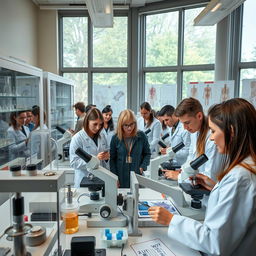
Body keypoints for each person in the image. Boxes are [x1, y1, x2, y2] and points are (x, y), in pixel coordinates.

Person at [148, 98, 256, 256]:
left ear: (231, 132)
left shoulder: (239, 178)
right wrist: (215, 187)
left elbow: (215, 242)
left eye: (214, 132)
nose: (211, 138)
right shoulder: (246, 167)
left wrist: (171, 220)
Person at [163, 98, 222, 182]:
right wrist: (184, 171)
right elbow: (191, 157)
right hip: (194, 182)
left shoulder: (212, 139)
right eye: (182, 123)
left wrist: (180, 177)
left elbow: (210, 176)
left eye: (187, 123)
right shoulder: (194, 133)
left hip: (206, 191)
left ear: (199, 116)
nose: (184, 127)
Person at [110, 109, 151, 188]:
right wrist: (114, 177)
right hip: (120, 176)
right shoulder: (115, 138)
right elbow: (112, 159)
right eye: (126, 125)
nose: (129, 128)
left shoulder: (141, 136)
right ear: (120, 125)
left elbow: (147, 153)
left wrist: (143, 167)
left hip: (137, 174)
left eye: (131, 124)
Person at [69, 108, 109, 188]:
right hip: (84, 179)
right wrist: (94, 159)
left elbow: (105, 161)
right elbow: (73, 162)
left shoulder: (102, 136)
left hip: (100, 179)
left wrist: (106, 158)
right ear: (87, 122)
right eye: (95, 124)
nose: (98, 127)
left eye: (100, 124)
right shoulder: (77, 138)